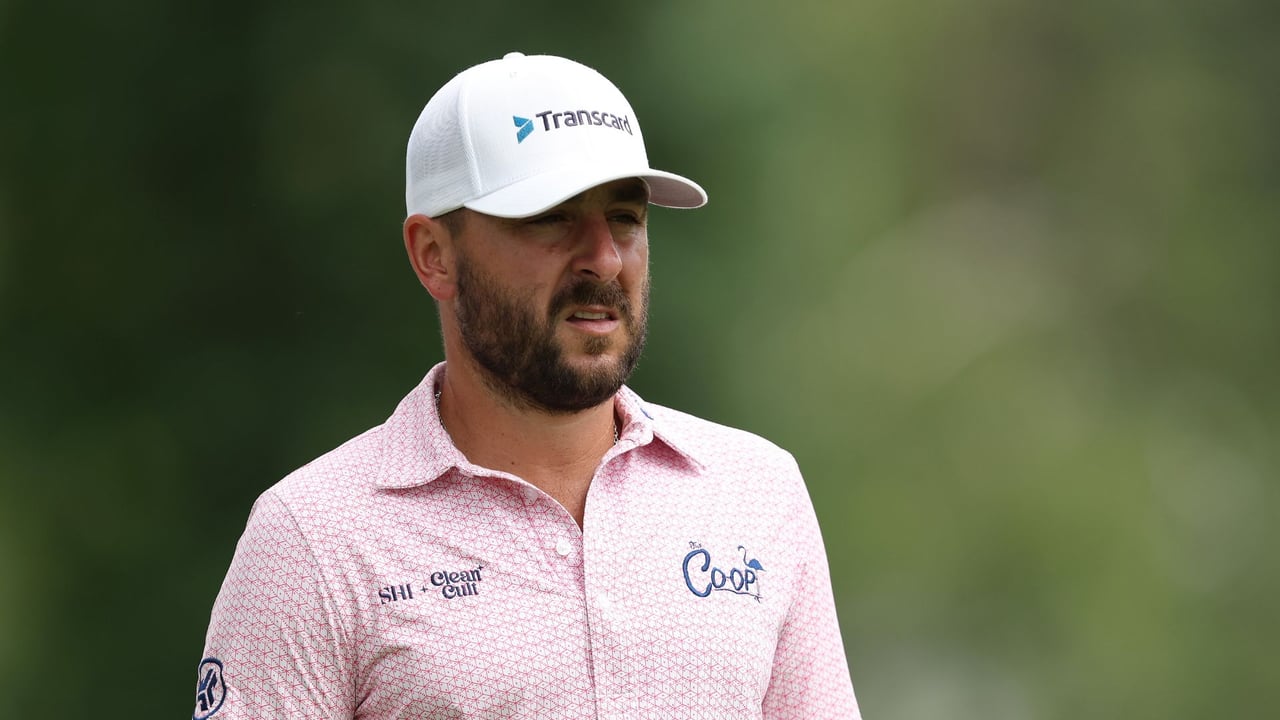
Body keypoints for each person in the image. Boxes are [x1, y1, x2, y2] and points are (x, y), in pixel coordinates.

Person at [193, 52, 861, 719]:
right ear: (434, 255)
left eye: (625, 217)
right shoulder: (314, 537)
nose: (603, 257)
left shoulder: (758, 492)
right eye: (550, 217)